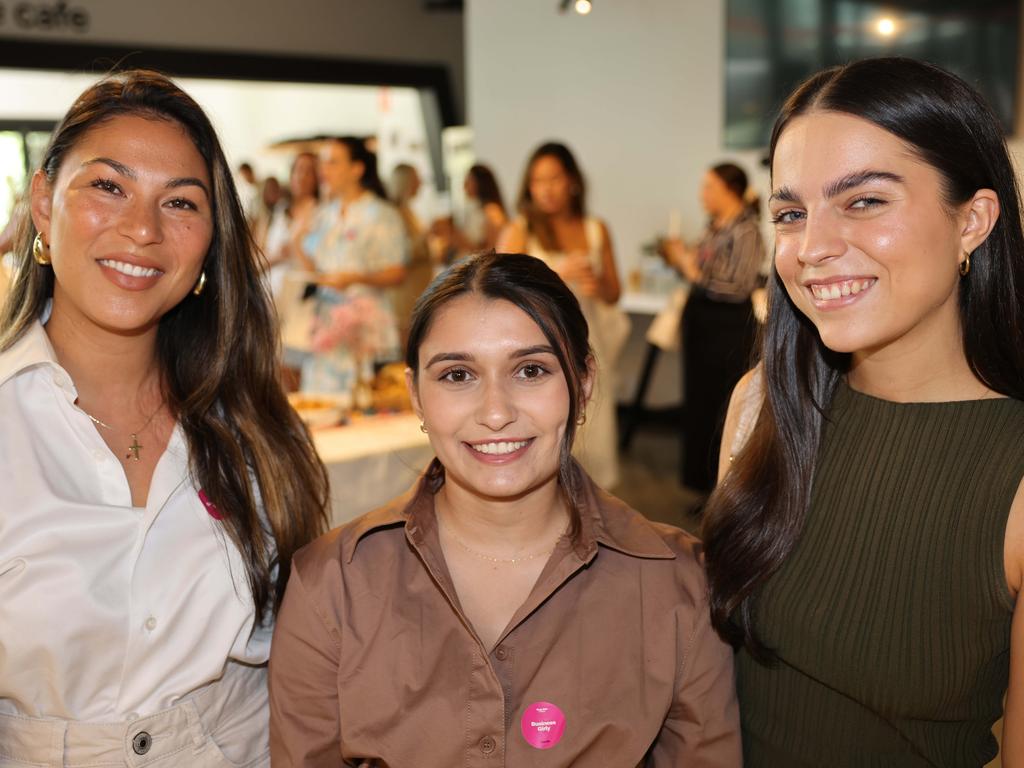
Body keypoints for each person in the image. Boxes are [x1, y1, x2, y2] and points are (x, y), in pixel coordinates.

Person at [268, 252, 740, 766]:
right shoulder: (331, 585)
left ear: (583, 384)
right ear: (415, 395)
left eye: (531, 370)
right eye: (456, 376)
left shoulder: (682, 587)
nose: (496, 412)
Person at [0, 70, 329, 766]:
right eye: (109, 187)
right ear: (40, 203)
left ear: (210, 242)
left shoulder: (252, 426)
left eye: (180, 202)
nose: (143, 229)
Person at [703, 57, 1024, 766]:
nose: (811, 248)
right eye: (791, 213)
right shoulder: (762, 403)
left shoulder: (1013, 475)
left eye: (864, 201)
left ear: (972, 219)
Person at [498, 142, 626, 489]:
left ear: (572, 181)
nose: (547, 189)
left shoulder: (595, 228)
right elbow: (499, 292)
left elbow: (615, 293)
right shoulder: (519, 230)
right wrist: (554, 271)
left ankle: (594, 524)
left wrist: (596, 282)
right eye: (538, 181)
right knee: (542, 436)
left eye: (554, 179)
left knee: (593, 431)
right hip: (534, 346)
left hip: (586, 341)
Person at [661, 162, 765, 495]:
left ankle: (722, 486)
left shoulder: (746, 231)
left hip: (726, 328)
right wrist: (680, 259)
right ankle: (701, 484)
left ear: (730, 191)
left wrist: (691, 270)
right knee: (699, 402)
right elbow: (699, 268)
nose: (703, 195)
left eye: (710, 188)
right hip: (703, 323)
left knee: (723, 403)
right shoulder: (715, 228)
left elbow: (736, 285)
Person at [292, 136, 407, 394]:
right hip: (327, 323)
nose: (324, 170)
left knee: (365, 396)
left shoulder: (381, 213)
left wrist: (355, 278)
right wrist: (298, 239)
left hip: (365, 322)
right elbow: (315, 270)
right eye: (323, 162)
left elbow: (396, 271)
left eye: (333, 162)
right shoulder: (324, 213)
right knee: (322, 399)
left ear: (357, 169)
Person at [387, 162, 433, 347]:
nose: (420, 183)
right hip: (405, 290)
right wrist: (424, 238)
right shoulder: (395, 213)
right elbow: (399, 253)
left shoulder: (408, 210)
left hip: (416, 286)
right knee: (408, 344)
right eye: (416, 179)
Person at [458, 162, 509, 253]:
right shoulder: (475, 209)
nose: (464, 186)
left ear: (480, 183)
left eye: (469, 181)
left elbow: (493, 248)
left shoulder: (492, 211)